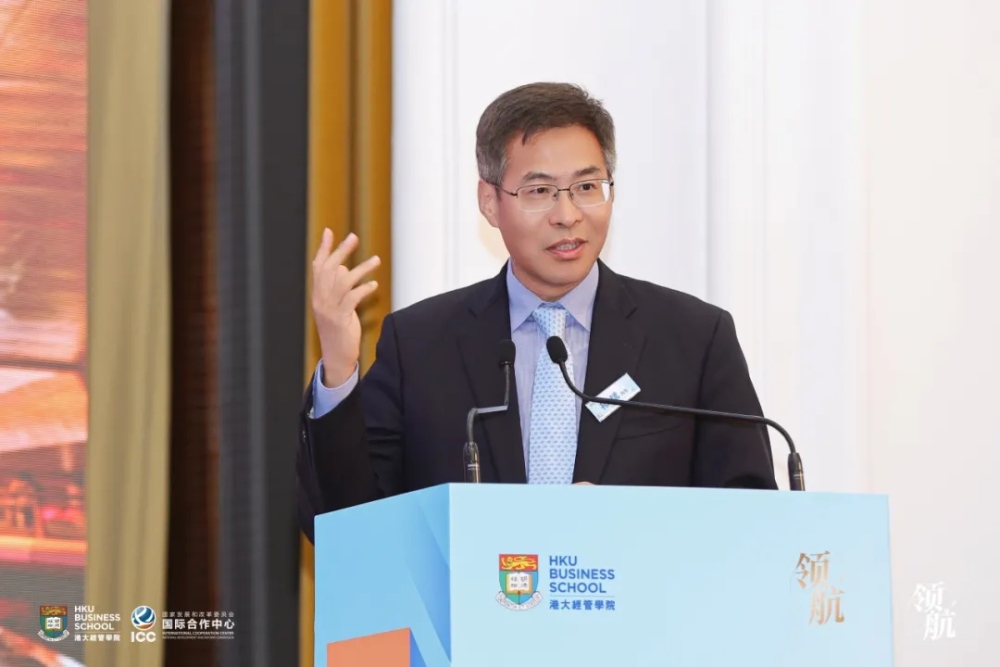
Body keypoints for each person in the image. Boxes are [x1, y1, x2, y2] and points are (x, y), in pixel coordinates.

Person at [297, 82, 777, 542]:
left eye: (587, 186)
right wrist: (338, 367)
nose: (567, 214)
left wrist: (631, 525)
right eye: (540, 191)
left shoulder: (694, 338)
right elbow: (345, 528)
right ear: (490, 202)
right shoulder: (421, 344)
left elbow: (752, 521)